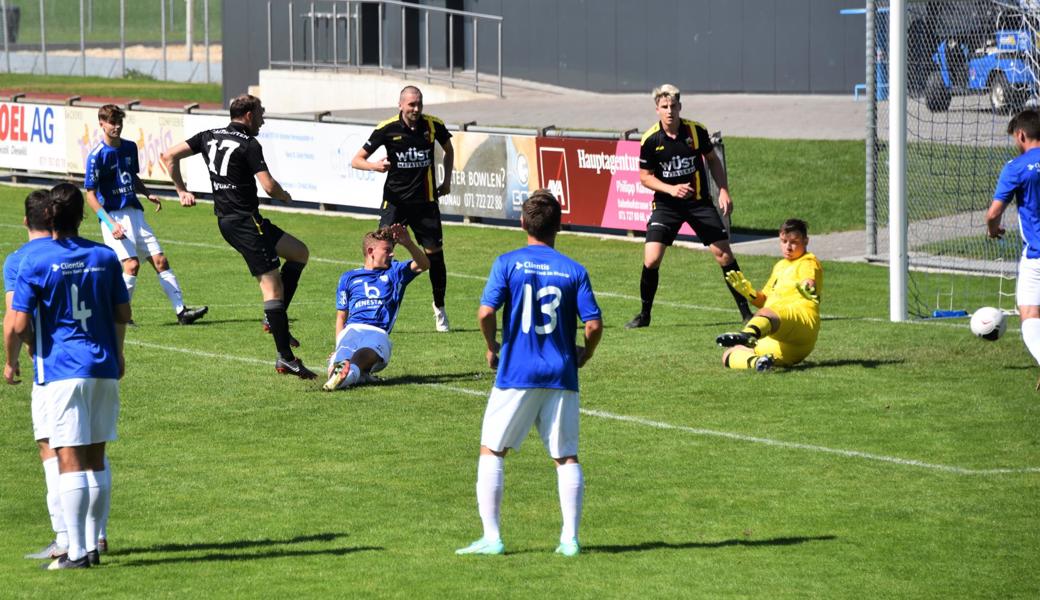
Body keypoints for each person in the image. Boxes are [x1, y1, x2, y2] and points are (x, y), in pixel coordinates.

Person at [456, 190, 603, 557]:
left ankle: (492, 538)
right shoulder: (574, 270)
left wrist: (492, 347)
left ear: (523, 223)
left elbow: (486, 313)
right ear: (560, 226)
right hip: (561, 373)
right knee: (566, 456)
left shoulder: (507, 263)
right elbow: (594, 324)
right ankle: (569, 539)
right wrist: (585, 353)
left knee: (492, 450)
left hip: (517, 373)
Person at [11, 183, 131, 569]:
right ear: (81, 217)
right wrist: (119, 353)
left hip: (61, 371)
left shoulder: (35, 261)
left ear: (48, 218)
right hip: (103, 367)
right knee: (97, 456)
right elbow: (122, 314)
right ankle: (94, 544)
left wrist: (11, 360)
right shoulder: (105, 256)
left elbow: (17, 323)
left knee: (69, 459)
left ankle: (75, 552)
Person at [161, 94, 317, 379]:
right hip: (245, 223)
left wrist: (180, 190)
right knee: (272, 288)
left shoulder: (209, 135)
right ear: (247, 115)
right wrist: (284, 196)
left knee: (299, 253)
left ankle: (274, 321)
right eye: (260, 114)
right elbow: (268, 186)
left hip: (238, 220)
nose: (263, 119)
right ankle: (286, 358)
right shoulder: (249, 144)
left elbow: (168, 155)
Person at [625, 84, 753, 329]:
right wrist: (671, 189)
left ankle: (746, 312)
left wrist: (723, 190)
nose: (670, 111)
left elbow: (713, 161)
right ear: (657, 110)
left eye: (673, 106)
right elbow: (645, 176)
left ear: (680, 107)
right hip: (666, 206)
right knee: (651, 260)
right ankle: (644, 315)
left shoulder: (696, 131)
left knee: (724, 254)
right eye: (664, 107)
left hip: (698, 204)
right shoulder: (651, 139)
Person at [85, 104, 208, 326]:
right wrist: (110, 223)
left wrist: (147, 193)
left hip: (135, 213)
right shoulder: (96, 156)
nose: (117, 126)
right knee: (131, 265)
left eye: (119, 122)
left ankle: (182, 312)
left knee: (160, 260)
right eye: (112, 122)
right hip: (114, 217)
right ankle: (121, 316)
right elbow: (90, 196)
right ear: (101, 124)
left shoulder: (130, 147)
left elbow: (131, 177)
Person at [351, 85, 455, 332]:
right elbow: (356, 160)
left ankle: (439, 308)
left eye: (419, 104)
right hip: (395, 203)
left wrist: (447, 181)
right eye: (411, 105)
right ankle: (374, 308)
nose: (416, 109)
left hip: (426, 203)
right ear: (401, 105)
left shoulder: (433, 125)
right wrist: (374, 166)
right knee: (380, 252)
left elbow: (449, 149)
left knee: (435, 257)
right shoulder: (387, 128)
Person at [4, 190, 72, 561]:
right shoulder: (83, 251)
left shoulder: (20, 260)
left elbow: (16, 320)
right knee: (88, 451)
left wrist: (12, 360)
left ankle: (64, 535)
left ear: (27, 220)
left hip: (51, 366)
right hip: (96, 363)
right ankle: (94, 531)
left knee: (49, 446)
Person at [322, 223, 430, 391]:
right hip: (351, 331)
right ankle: (352, 375)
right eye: (387, 250)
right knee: (339, 361)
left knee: (360, 355)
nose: (392, 254)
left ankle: (346, 375)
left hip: (377, 333)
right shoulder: (348, 277)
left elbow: (424, 264)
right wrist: (338, 345)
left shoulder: (396, 271)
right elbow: (341, 316)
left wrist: (408, 243)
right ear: (371, 252)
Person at [715, 219, 822, 372]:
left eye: (794, 242)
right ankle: (759, 362)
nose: (788, 247)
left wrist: (807, 287)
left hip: (800, 324)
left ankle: (747, 335)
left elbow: (808, 279)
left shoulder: (808, 261)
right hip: (778, 342)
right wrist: (749, 293)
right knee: (728, 355)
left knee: (767, 313)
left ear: (806, 241)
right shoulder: (780, 266)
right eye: (784, 241)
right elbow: (763, 301)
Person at [987, 108, 1040, 389]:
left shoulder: (1017, 167)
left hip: (1037, 256)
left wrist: (993, 229)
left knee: (1030, 315)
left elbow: (994, 213)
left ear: (1021, 135)